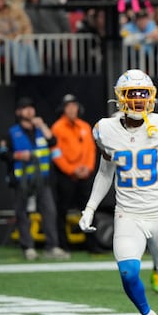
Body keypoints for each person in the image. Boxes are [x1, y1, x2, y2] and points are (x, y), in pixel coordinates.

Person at [78, 69, 158, 315]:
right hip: (128, 214)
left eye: (143, 93)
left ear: (151, 97)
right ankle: (147, 314)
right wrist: (90, 208)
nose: (139, 99)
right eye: (132, 94)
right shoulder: (106, 130)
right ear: (121, 98)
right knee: (129, 273)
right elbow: (105, 173)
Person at [0, 97, 70, 260]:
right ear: (19, 112)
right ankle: (28, 248)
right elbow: (3, 153)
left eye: (31, 107)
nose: (29, 110)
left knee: (49, 211)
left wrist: (42, 125)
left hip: (42, 180)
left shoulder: (40, 129)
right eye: (25, 108)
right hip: (21, 180)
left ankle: (52, 246)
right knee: (22, 213)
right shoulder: (12, 133)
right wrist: (18, 155)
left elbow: (53, 141)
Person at [51, 94, 101, 253]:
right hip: (66, 175)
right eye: (69, 106)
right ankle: (63, 244)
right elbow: (56, 153)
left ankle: (92, 244)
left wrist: (87, 168)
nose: (72, 109)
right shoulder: (57, 128)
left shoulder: (85, 127)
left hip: (84, 175)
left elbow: (91, 150)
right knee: (62, 210)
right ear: (63, 109)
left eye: (74, 105)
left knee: (89, 208)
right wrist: (71, 170)